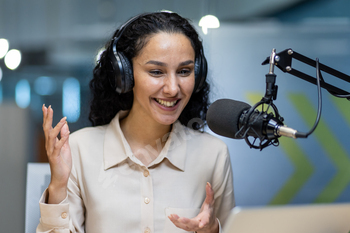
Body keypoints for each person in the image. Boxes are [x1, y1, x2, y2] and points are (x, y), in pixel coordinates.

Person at [37, 11, 234, 233]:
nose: (173, 88)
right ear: (125, 75)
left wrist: (213, 230)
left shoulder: (213, 154)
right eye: (157, 71)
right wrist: (58, 188)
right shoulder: (79, 149)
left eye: (184, 71)